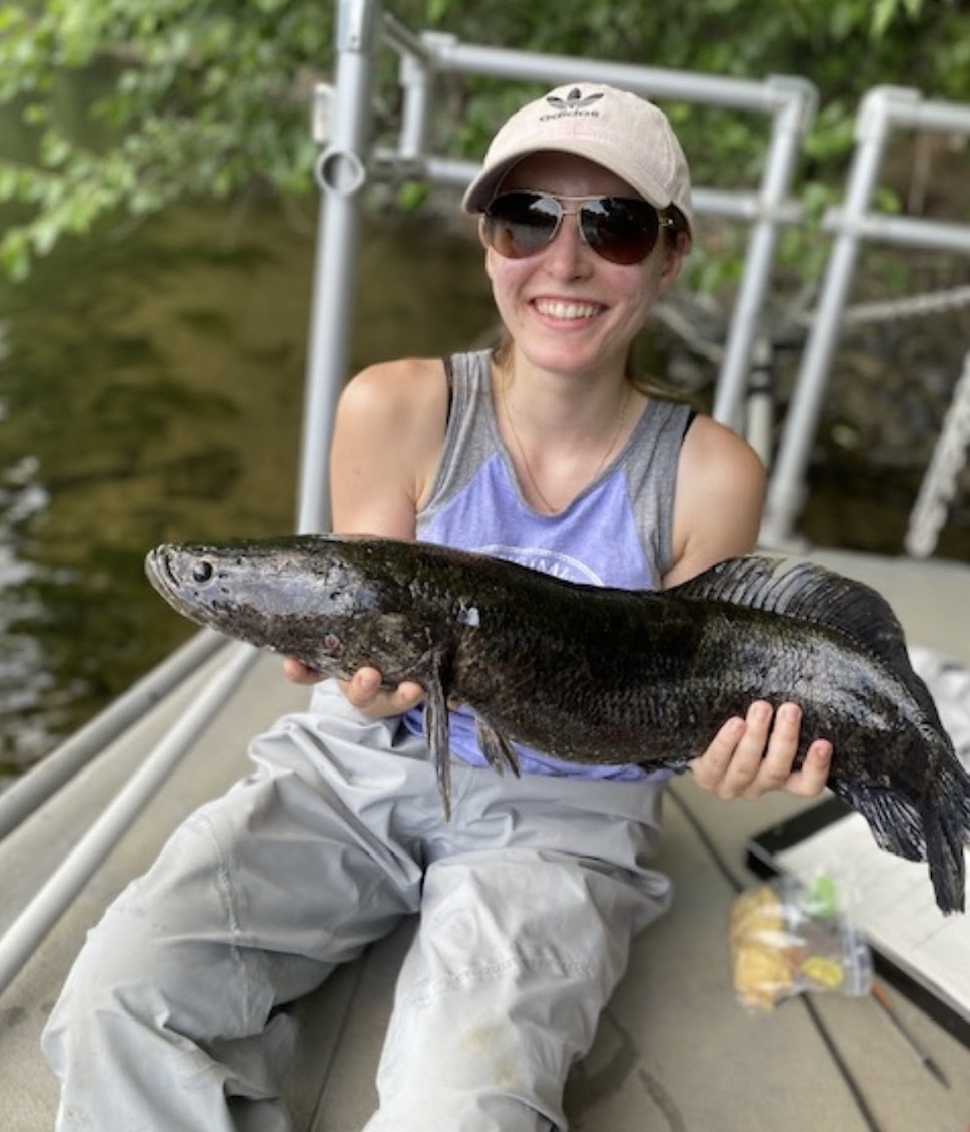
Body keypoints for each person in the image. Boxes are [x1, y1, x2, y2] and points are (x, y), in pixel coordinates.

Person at [42, 82, 832, 1131]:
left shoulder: (709, 473)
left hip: (563, 817)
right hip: (354, 771)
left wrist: (731, 758)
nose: (564, 260)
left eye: (616, 223)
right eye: (525, 219)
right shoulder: (395, 407)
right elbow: (366, 638)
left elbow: (672, 708)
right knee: (115, 998)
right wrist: (362, 692)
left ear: (672, 251)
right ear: (485, 241)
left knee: (463, 1112)